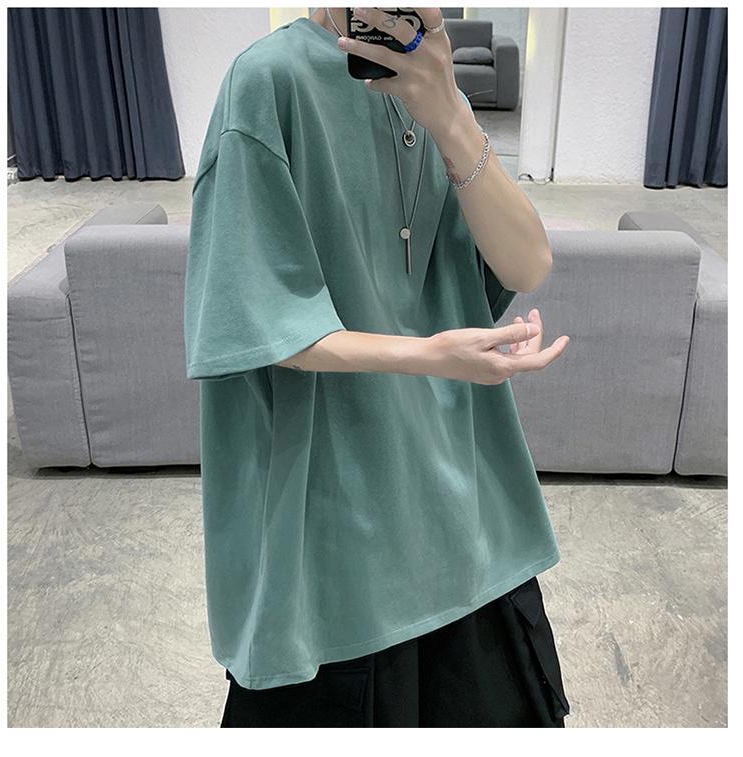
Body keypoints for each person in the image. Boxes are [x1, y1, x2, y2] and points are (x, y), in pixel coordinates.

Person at [184, 7, 572, 727]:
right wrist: (430, 356)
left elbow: (526, 264)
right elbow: (252, 318)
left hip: (461, 503)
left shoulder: (432, 82)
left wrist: (448, 113)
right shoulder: (268, 82)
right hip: (337, 519)